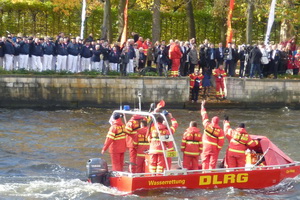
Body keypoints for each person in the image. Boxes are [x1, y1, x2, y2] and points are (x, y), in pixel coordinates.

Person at [200, 100, 224, 169]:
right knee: (213, 162)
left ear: (212, 121)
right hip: (214, 148)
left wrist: (202, 106)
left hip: (205, 146)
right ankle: (211, 174)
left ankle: (204, 173)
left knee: (205, 160)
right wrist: (218, 149)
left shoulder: (207, 125)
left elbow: (204, 115)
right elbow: (221, 142)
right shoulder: (220, 131)